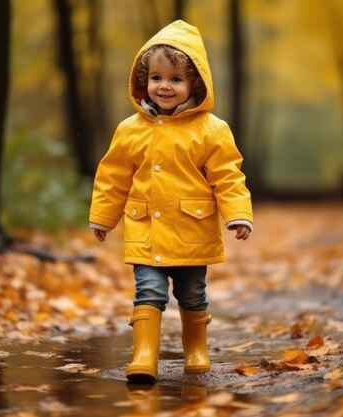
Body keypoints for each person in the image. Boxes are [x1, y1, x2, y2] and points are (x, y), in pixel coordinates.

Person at [89, 20, 253, 382]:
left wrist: (238, 214)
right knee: (148, 289)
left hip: (192, 230)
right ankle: (145, 355)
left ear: (195, 84)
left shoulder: (212, 130)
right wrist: (103, 216)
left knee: (192, 293)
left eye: (176, 79)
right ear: (143, 81)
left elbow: (228, 176)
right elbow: (113, 176)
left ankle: (196, 350)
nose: (165, 86)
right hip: (146, 229)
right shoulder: (130, 130)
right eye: (157, 78)